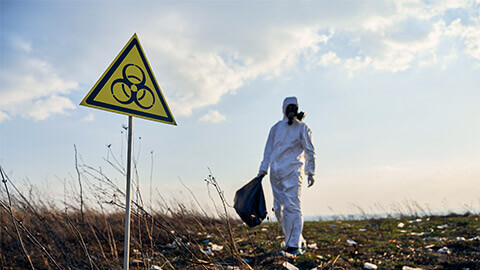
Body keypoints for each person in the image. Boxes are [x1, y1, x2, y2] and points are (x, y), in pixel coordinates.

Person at [258, 96, 316, 256]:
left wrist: (310, 171)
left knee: (292, 206)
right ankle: (294, 238)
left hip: (293, 171)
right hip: (276, 174)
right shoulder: (276, 128)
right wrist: (263, 170)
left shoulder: (302, 128)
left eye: (294, 107)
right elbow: (268, 150)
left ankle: (293, 245)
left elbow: (309, 150)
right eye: (288, 107)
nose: (291, 111)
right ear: (284, 109)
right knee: (278, 208)